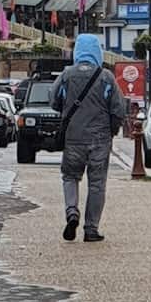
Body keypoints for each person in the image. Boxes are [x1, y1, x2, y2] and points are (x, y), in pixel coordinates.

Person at [51, 33, 125, 243]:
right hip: (100, 138)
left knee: (70, 176)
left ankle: (72, 210)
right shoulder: (106, 77)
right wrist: (111, 130)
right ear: (97, 52)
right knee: (97, 183)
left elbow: (53, 101)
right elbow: (118, 108)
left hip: (73, 137)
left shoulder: (67, 75)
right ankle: (91, 228)